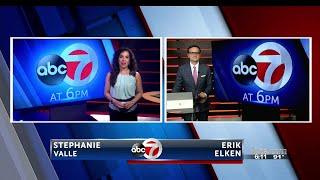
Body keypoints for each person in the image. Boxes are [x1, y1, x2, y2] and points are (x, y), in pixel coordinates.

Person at [172, 45, 212, 121]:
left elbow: (209, 85)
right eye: (192, 52)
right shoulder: (182, 69)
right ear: (188, 55)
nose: (195, 54)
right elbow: (177, 87)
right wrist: (174, 102)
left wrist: (205, 93)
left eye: (197, 52)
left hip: (203, 105)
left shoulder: (206, 68)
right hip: (187, 105)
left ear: (200, 55)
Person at [104, 47, 143, 121]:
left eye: (127, 57)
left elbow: (140, 92)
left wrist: (132, 102)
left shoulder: (136, 75)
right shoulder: (110, 74)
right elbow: (106, 92)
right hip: (114, 109)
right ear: (117, 59)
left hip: (131, 109)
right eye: (121, 56)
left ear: (130, 60)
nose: (123, 60)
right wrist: (114, 101)